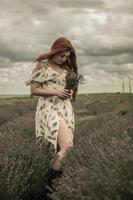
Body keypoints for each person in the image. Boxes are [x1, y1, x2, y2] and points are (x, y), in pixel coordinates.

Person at [25, 36, 78, 192]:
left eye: (67, 56)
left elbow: (67, 89)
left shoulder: (67, 69)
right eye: (62, 55)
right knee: (68, 147)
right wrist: (56, 92)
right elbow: (34, 90)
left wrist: (68, 93)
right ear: (55, 51)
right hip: (49, 110)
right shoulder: (43, 66)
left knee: (60, 149)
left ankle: (50, 187)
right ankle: (49, 185)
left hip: (65, 110)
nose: (64, 59)